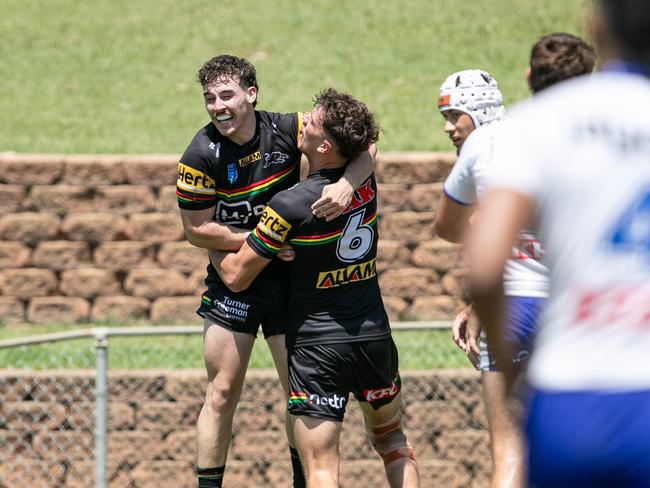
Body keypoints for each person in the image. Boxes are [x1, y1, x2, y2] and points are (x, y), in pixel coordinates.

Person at [466, 0, 650, 486]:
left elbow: (484, 267)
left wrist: (508, 365)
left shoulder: (539, 122)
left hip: (571, 392)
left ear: (596, 28)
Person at [176, 54, 375, 488]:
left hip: (291, 281)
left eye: (226, 95)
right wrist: (260, 239)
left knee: (300, 398)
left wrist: (348, 183)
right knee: (223, 392)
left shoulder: (287, 128)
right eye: (209, 98)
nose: (217, 106)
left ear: (251, 94)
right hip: (238, 277)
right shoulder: (199, 154)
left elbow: (364, 143)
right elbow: (196, 230)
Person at [208, 88, 419, 488]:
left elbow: (236, 276)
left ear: (323, 145)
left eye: (314, 121)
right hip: (373, 335)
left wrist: (204, 237)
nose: (303, 122)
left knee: (321, 469)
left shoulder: (288, 205)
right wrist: (349, 182)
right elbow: (368, 148)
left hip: (317, 347)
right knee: (393, 442)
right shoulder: (364, 183)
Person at [434, 37, 595, 487]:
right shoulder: (591, 139)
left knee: (507, 452)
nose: (448, 128)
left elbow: (448, 228)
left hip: (512, 308)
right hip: (573, 308)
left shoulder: (489, 146)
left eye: (453, 116)